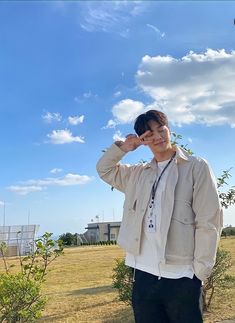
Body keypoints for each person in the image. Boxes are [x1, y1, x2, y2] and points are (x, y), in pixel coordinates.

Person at [96, 110, 223, 323]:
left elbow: (209, 220)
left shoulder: (196, 167)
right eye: (149, 134)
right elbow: (104, 170)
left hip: (182, 274)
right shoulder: (137, 174)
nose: (157, 136)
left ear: (169, 129)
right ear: (143, 140)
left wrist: (200, 271)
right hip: (143, 273)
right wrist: (125, 147)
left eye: (161, 129)